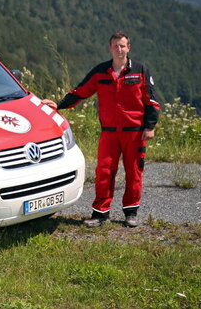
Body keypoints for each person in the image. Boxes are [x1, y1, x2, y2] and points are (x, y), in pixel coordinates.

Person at [43, 32, 159, 228]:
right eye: (115, 46)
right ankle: (100, 214)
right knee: (104, 171)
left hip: (135, 132)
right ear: (110, 48)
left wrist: (150, 126)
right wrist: (59, 105)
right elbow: (81, 92)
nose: (119, 49)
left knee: (134, 172)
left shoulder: (140, 69)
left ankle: (131, 213)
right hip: (110, 132)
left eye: (122, 46)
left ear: (128, 47)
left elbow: (152, 101)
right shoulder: (100, 71)